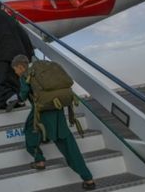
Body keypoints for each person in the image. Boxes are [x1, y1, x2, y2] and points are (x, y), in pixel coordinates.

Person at [11, 55, 96, 190]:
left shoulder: (25, 76)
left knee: (29, 131)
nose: (15, 72)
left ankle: (39, 161)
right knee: (68, 145)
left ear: (21, 67)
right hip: (57, 109)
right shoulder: (43, 69)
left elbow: (22, 95)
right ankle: (88, 178)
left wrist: (13, 100)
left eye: (15, 69)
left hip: (41, 112)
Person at [0, 8, 33, 110]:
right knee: (14, 79)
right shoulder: (13, 24)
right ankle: (16, 99)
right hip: (15, 56)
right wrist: (29, 55)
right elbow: (25, 38)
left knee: (0, 80)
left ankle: (1, 102)